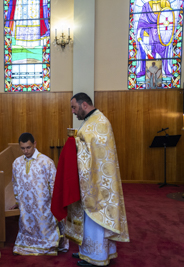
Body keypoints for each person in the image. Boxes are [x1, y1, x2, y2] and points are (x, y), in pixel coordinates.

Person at [70, 93, 129, 267]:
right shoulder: (91, 122)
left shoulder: (100, 123)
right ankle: (87, 251)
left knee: (96, 217)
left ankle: (96, 257)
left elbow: (94, 155)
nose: (73, 112)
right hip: (93, 180)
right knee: (89, 217)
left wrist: (75, 144)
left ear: (84, 105)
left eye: (74, 107)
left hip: (98, 182)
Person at [10, 132, 69, 256]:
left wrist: (56, 204)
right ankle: (25, 244)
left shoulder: (46, 162)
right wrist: (17, 201)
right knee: (26, 223)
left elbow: (54, 184)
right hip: (25, 205)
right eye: (22, 148)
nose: (25, 151)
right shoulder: (16, 163)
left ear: (35, 144)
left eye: (28, 147)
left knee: (44, 223)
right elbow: (15, 183)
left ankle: (47, 245)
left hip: (42, 204)